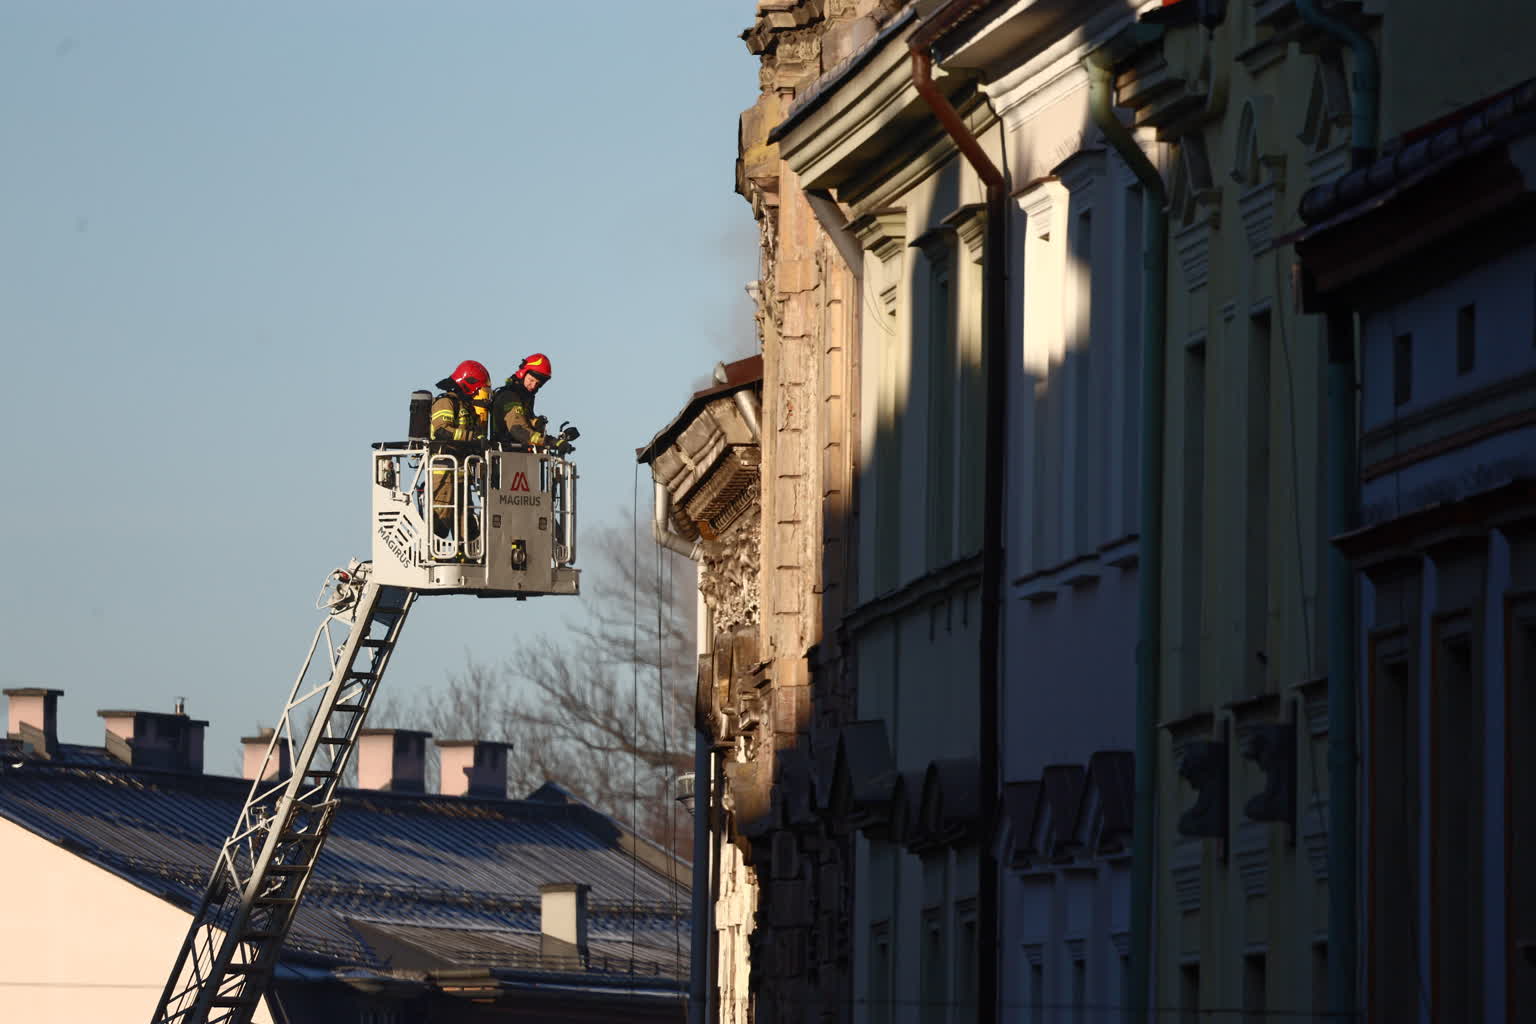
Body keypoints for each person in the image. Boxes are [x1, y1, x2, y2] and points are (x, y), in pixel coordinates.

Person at [429, 360, 491, 549]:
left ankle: (466, 555)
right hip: (444, 472)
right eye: (477, 388)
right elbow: (442, 431)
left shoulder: (467, 406)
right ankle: (435, 556)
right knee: (441, 518)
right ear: (468, 382)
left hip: (462, 472)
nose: (477, 392)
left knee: (465, 519)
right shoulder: (445, 402)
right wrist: (472, 438)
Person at [490, 352, 553, 446]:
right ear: (523, 374)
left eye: (538, 384)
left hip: (520, 453)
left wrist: (536, 423)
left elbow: (524, 420)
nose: (533, 386)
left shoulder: (525, 397)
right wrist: (550, 442)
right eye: (531, 380)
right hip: (507, 453)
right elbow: (518, 430)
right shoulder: (509, 396)